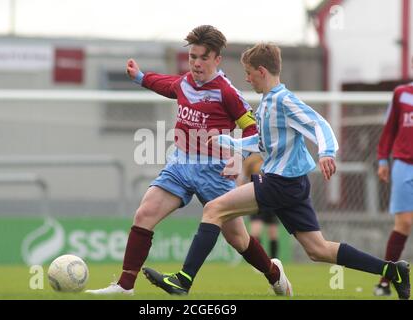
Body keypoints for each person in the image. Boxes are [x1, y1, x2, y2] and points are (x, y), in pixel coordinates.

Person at [142, 43, 411, 300]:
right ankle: (391, 270)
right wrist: (230, 142)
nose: (247, 79)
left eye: (248, 73)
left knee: (214, 209)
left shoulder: (282, 101)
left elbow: (319, 124)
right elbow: (263, 144)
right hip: (292, 184)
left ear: (261, 71)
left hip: (278, 182)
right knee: (318, 250)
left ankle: (183, 280)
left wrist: (327, 152)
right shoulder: (268, 103)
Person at [86, 26, 290, 296]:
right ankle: (125, 286)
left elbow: (252, 127)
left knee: (238, 239)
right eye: (192, 57)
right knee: (144, 214)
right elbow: (167, 85)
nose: (196, 63)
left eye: (203, 57)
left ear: (217, 59)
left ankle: (274, 275)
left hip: (215, 172)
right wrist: (140, 77)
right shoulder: (184, 83)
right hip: (180, 165)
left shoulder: (226, 92)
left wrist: (239, 157)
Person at [373, 60, 413, 297]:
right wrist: (381, 160)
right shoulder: (401, 94)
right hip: (404, 165)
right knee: (404, 223)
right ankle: (385, 281)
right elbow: (389, 129)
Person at [239, 153, 279, 259]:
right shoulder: (251, 160)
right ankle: (259, 260)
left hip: (271, 200)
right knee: (256, 230)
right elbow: (244, 178)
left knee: (273, 232)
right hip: (256, 200)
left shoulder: (271, 157)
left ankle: (274, 261)